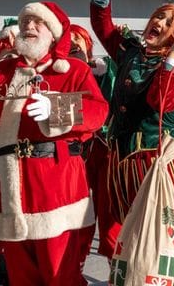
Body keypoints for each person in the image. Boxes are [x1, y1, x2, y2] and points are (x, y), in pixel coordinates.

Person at [0, 1, 109, 286]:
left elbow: (98, 111)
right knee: (20, 277)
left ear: (52, 32)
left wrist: (59, 109)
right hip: (10, 193)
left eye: (37, 22)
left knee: (60, 276)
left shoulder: (73, 70)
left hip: (57, 192)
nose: (29, 26)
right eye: (25, 20)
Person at [88, 0, 174, 259]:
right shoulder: (131, 50)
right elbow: (103, 26)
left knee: (154, 238)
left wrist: (173, 57)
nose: (158, 24)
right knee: (118, 238)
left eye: (167, 22)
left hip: (154, 160)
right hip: (119, 156)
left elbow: (158, 101)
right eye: (157, 17)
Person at [68, 24, 119, 260]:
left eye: (78, 40)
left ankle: (115, 271)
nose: (73, 45)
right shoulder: (63, 74)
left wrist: (103, 72)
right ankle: (75, 270)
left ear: (88, 45)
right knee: (78, 220)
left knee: (110, 217)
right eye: (68, 43)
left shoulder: (106, 72)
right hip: (76, 156)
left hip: (106, 153)